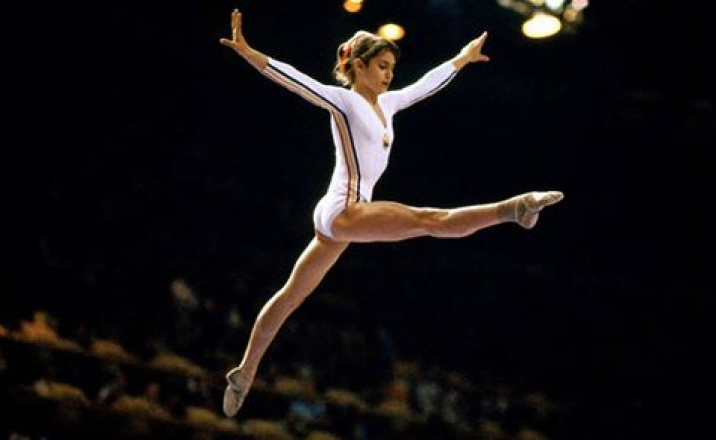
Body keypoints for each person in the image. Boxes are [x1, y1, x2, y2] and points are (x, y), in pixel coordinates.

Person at [218, 9, 564, 417]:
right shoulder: (344, 100)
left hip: (343, 217)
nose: (389, 74)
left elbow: (424, 85)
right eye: (381, 66)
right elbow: (295, 80)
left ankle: (244, 372)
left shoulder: (388, 104)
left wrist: (461, 59)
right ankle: (513, 209)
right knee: (429, 220)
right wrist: (249, 52)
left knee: (291, 296)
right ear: (358, 65)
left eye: (392, 67)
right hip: (344, 209)